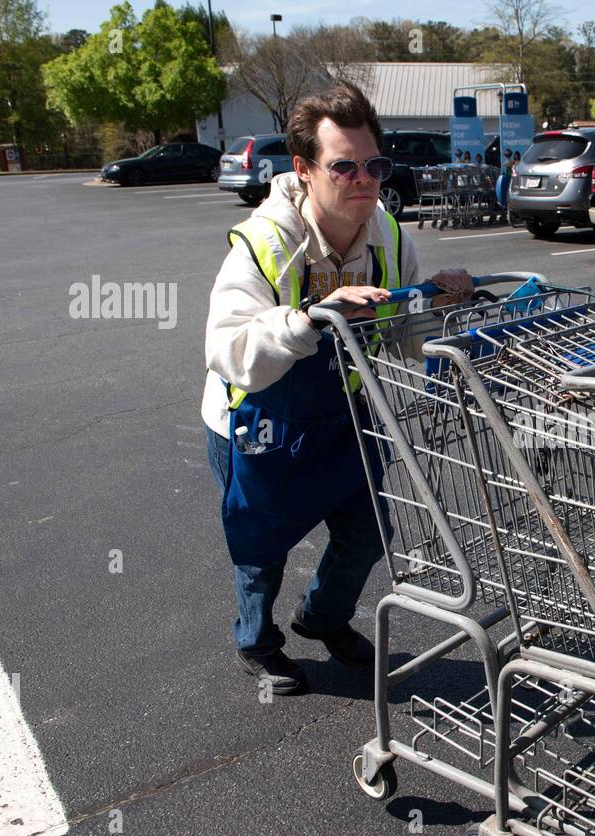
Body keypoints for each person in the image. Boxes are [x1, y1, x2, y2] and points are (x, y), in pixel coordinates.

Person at [202, 84, 473, 695]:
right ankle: (257, 640)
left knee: (368, 531)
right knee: (259, 545)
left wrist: (440, 301)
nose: (364, 180)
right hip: (256, 418)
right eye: (344, 166)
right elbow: (227, 351)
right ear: (303, 169)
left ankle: (322, 617)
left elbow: (405, 336)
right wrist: (311, 317)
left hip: (340, 413)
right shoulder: (264, 242)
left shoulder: (391, 238)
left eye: (374, 165)